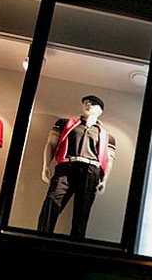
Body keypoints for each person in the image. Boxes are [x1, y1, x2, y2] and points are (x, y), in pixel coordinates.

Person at [39, 95, 116, 239]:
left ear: (100, 110)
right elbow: (51, 143)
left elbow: (109, 160)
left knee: (82, 210)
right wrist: (46, 165)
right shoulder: (64, 123)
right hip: (66, 166)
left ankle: (75, 242)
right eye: (86, 102)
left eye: (93, 103)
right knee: (52, 201)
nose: (88, 104)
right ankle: (41, 238)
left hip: (91, 170)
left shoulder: (107, 136)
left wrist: (104, 181)